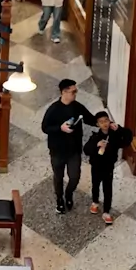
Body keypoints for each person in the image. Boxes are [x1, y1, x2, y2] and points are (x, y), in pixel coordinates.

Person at [41, 79, 91, 213]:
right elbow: (45, 127)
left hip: (74, 150)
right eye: (73, 91)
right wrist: (60, 128)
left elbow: (90, 118)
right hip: (57, 150)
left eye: (76, 91)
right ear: (64, 92)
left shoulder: (77, 107)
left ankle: (69, 193)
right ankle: (59, 199)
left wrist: (104, 122)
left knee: (74, 177)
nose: (75, 94)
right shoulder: (53, 109)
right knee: (58, 177)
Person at [85, 111, 135, 223]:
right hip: (96, 166)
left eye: (106, 120)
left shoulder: (115, 136)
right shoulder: (95, 136)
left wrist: (119, 129)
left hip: (108, 166)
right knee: (95, 185)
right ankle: (95, 202)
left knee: (108, 188)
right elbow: (86, 150)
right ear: (98, 124)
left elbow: (128, 139)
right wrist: (96, 145)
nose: (105, 124)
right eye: (101, 122)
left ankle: (106, 211)